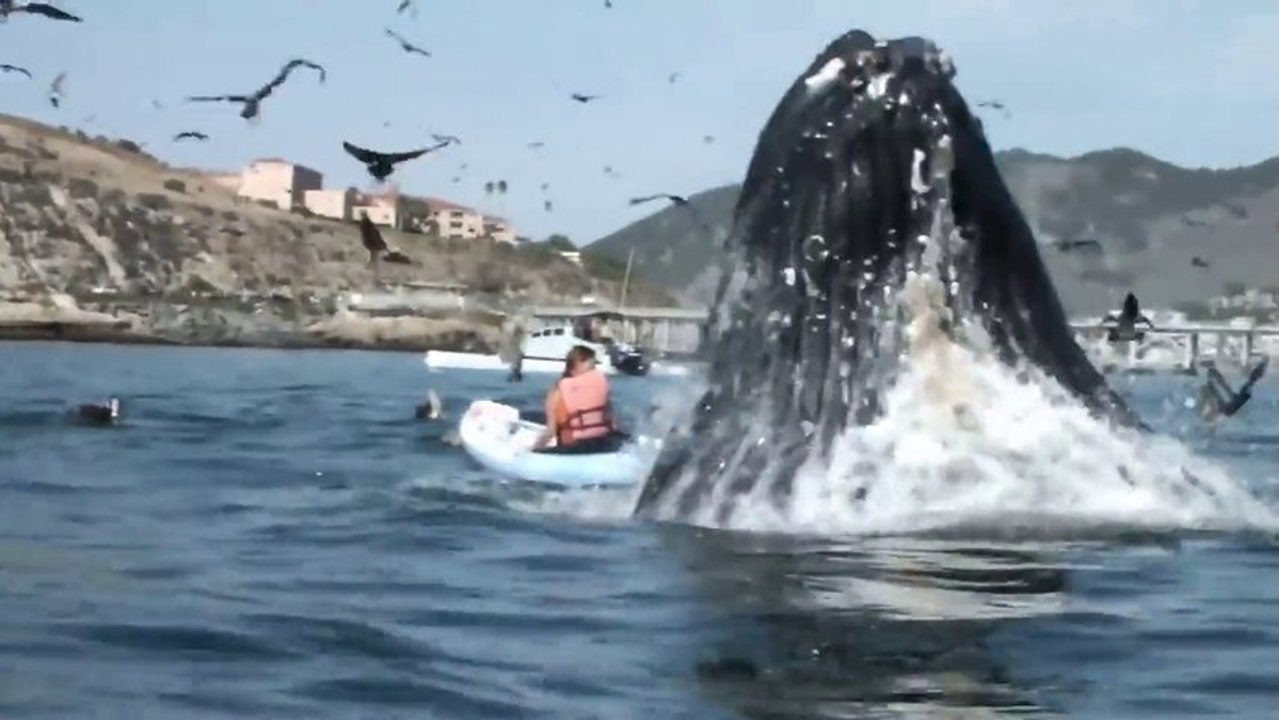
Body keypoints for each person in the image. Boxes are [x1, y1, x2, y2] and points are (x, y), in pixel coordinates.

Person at [533, 344, 620, 452]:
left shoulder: (557, 391)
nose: (592, 372)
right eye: (591, 367)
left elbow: (551, 431)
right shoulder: (600, 385)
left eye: (593, 368)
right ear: (575, 365)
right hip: (602, 445)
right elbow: (612, 424)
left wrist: (535, 449)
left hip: (572, 449)